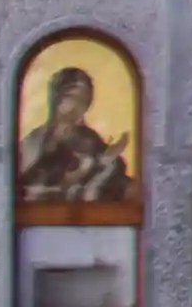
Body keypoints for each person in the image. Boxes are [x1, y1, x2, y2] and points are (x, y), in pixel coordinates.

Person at [17, 61, 133, 210]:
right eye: (71, 97)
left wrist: (109, 159)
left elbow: (109, 176)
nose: (76, 106)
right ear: (56, 98)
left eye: (83, 100)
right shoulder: (33, 143)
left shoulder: (90, 139)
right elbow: (26, 186)